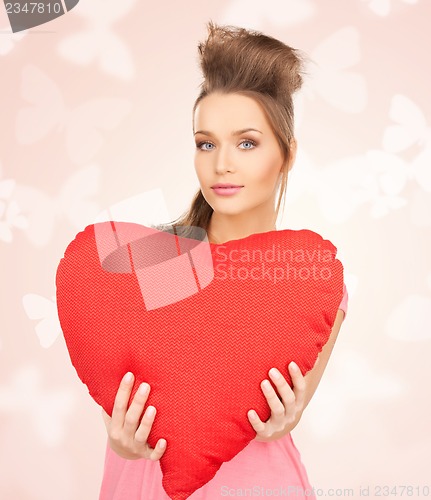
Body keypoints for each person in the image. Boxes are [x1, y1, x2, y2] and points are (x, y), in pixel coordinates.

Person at [99, 20, 348, 499]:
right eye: (206, 142)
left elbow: (276, 425)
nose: (222, 164)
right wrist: (123, 440)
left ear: (287, 155)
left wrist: (282, 418)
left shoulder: (311, 279)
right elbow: (117, 401)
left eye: (247, 143)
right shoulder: (157, 259)